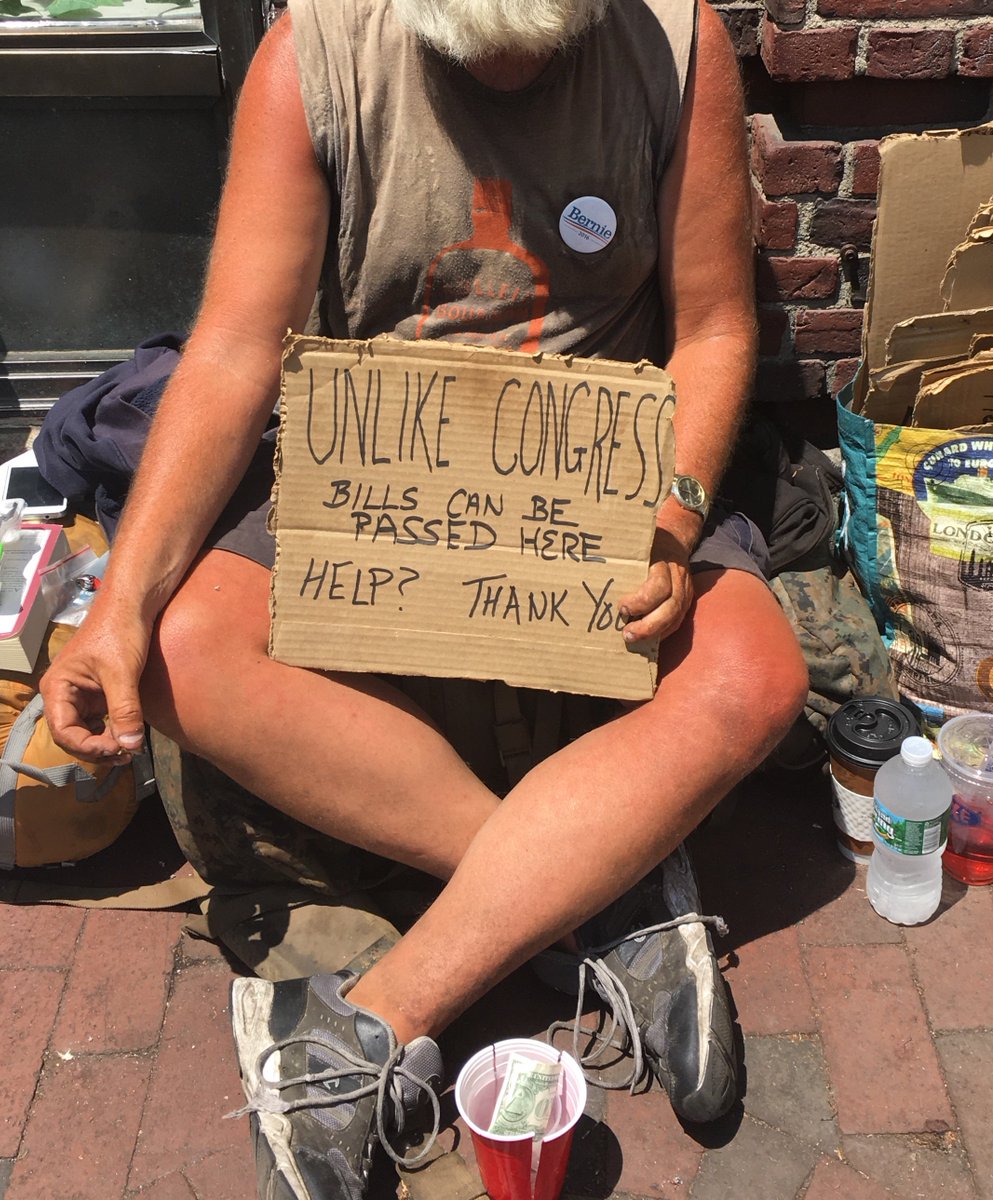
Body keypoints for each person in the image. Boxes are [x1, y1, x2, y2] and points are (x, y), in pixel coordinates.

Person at [41, 0, 809, 1195]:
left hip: (602, 470)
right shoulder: (313, 57)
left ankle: (366, 1022)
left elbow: (712, 328)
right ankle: (599, 899)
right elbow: (235, 348)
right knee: (182, 651)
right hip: (373, 471)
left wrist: (675, 507)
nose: (511, 66)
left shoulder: (677, 44)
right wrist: (116, 610)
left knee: (756, 676)